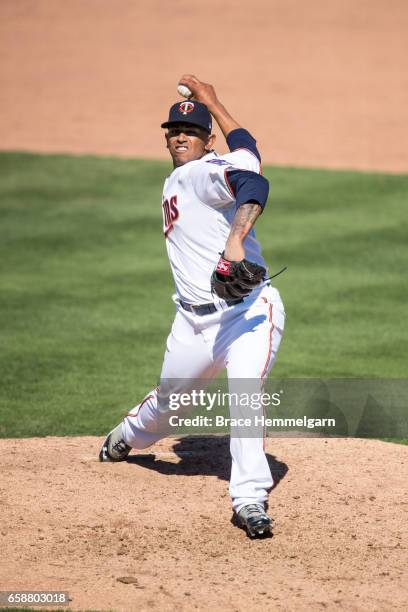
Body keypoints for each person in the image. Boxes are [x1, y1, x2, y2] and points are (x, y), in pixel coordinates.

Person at [99, 75, 285, 538]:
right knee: (171, 406)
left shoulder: (203, 173)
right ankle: (128, 435)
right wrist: (214, 101)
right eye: (173, 131)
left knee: (245, 394)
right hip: (192, 322)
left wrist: (236, 240)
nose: (180, 137)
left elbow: (254, 186)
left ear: (207, 141)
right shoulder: (199, 168)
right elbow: (249, 148)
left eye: (192, 131)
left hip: (248, 314)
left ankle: (249, 499)